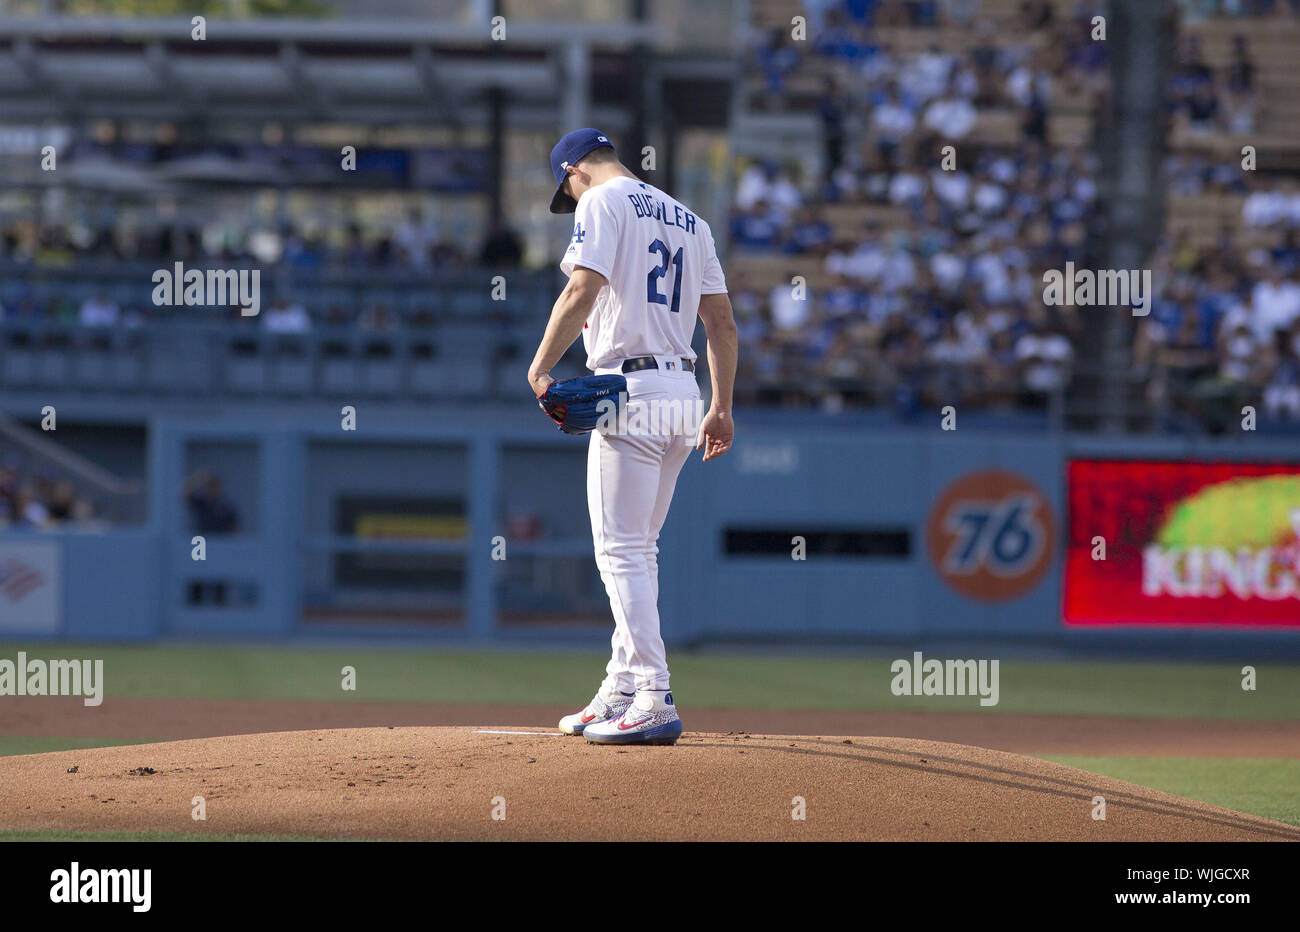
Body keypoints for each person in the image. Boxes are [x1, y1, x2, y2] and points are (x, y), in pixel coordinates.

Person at [527, 128, 738, 746]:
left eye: (567, 187)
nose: (571, 196)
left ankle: (652, 692)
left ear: (574, 171)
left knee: (620, 552)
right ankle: (621, 685)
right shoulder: (692, 220)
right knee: (638, 552)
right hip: (682, 398)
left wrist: (540, 366)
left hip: (630, 391)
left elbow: (581, 288)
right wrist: (721, 407)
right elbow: (720, 322)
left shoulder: (602, 201)